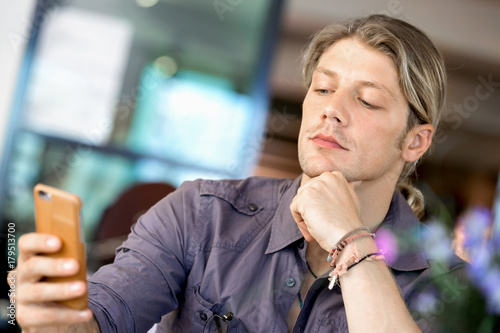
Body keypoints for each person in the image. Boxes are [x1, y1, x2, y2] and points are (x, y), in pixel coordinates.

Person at [13, 14, 467, 332]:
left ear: (415, 141)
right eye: (323, 88)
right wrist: (59, 320)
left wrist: (351, 240)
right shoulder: (201, 214)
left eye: (366, 100)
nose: (332, 110)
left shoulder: (454, 289)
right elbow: (104, 318)